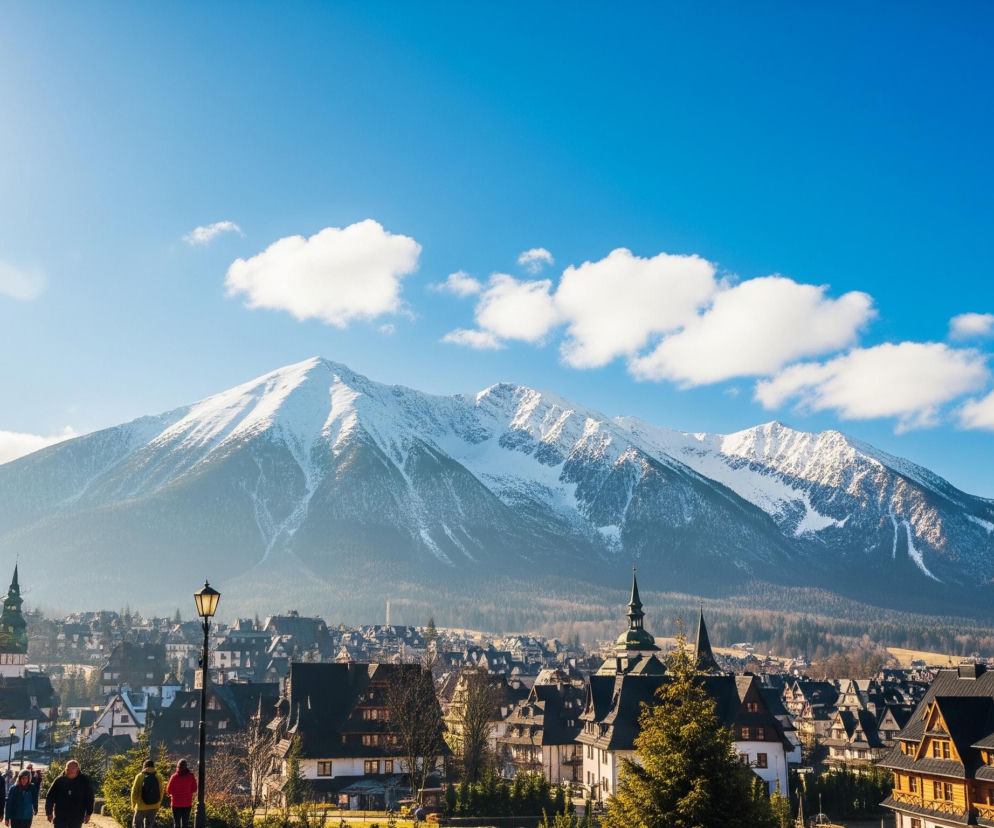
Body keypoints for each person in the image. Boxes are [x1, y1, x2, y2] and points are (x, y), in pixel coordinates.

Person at [45, 760, 93, 828]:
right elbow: (50, 797)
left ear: (77, 770)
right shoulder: (59, 780)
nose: (67, 772)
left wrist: (89, 813)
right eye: (67, 769)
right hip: (60, 815)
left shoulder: (84, 781)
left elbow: (90, 797)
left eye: (71, 770)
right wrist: (49, 813)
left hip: (77, 816)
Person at [130, 759, 163, 828]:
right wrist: (159, 802)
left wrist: (133, 804)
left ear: (144, 766)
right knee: (149, 825)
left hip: (141, 806)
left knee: (136, 824)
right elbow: (161, 791)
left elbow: (134, 792)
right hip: (154, 806)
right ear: (153, 767)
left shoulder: (139, 776)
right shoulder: (159, 776)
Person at [165, 759, 197, 828]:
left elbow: (169, 790)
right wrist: (188, 792)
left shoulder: (174, 777)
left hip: (176, 803)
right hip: (187, 803)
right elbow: (194, 789)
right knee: (185, 823)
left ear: (178, 767)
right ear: (186, 766)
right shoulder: (191, 776)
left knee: (176, 823)